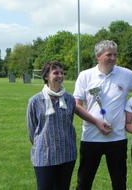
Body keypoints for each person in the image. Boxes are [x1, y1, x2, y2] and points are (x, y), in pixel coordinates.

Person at [73, 40, 132, 190]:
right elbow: (77, 106)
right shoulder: (85, 76)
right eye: (109, 55)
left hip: (117, 138)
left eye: (115, 55)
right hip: (91, 137)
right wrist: (97, 122)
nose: (113, 58)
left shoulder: (126, 75)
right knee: (84, 182)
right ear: (98, 56)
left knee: (119, 182)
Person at [26, 61, 77, 190]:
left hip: (67, 154)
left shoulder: (70, 99)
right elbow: (33, 130)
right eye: (55, 73)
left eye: (62, 73)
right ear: (46, 77)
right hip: (44, 156)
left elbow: (69, 123)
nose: (60, 76)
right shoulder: (35, 101)